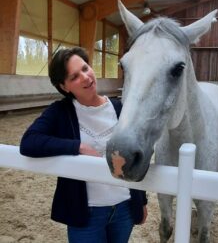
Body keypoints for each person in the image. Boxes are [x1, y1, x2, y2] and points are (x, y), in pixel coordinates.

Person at [20, 47, 147, 243]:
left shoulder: (120, 108)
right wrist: (78, 147)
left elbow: (134, 155)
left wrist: (142, 201)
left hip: (125, 208)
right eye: (75, 76)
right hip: (86, 214)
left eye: (86, 68)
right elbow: (29, 142)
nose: (86, 77)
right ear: (64, 86)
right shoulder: (60, 112)